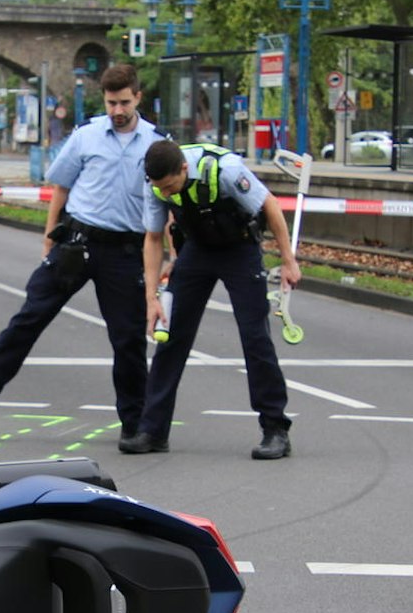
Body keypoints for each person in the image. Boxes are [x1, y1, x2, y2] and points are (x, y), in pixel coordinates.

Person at [0, 63, 162, 438]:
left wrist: (168, 255)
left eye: (124, 103)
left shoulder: (155, 143)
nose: (117, 111)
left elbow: (164, 204)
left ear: (138, 98)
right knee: (29, 317)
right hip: (76, 244)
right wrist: (49, 238)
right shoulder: (86, 136)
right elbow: (61, 188)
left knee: (128, 341)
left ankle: (135, 426)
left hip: (124, 251)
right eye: (111, 103)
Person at [120, 140, 300, 460]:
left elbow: (269, 205)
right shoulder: (155, 183)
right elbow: (153, 236)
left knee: (255, 337)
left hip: (239, 250)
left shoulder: (225, 170)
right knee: (171, 336)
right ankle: (153, 430)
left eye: (172, 187)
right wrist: (151, 297)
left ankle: (275, 429)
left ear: (184, 170)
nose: (167, 194)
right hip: (196, 252)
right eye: (161, 189)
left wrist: (288, 261)